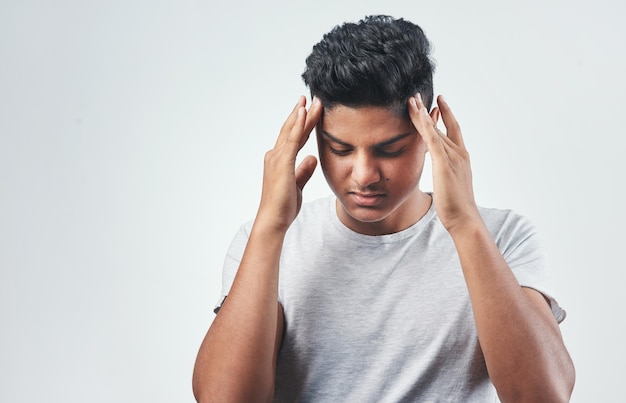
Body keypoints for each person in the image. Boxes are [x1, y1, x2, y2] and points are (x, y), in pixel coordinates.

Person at [192, 15, 575, 402]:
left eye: (389, 150)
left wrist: (464, 223)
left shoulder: (503, 237)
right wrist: (270, 227)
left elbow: (544, 395)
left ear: (430, 131)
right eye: (340, 149)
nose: (364, 175)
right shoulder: (266, 242)